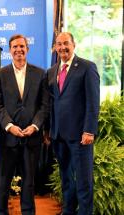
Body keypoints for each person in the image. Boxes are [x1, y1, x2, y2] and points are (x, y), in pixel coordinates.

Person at [0, 34, 49, 215]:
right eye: (15, 47)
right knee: (3, 181)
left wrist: (35, 126)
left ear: (27, 49)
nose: (19, 50)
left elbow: (44, 105)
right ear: (10, 50)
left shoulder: (40, 74)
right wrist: (9, 126)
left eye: (22, 46)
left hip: (32, 137)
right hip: (7, 137)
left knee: (29, 181)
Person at [47, 32, 100, 215]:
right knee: (66, 179)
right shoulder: (52, 71)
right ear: (55, 47)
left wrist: (89, 130)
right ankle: (68, 211)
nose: (62, 47)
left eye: (66, 43)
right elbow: (52, 103)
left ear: (74, 44)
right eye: (59, 44)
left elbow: (93, 102)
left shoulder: (87, 67)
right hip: (59, 136)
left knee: (84, 181)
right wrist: (49, 130)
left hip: (80, 136)